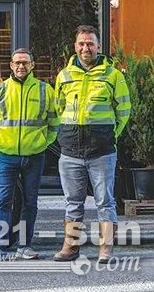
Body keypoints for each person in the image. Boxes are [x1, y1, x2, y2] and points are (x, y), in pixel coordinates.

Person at [53, 25, 131, 263]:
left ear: (98, 46)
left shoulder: (113, 75)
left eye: (90, 43)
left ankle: (105, 249)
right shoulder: (64, 76)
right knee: (72, 203)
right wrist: (66, 134)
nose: (85, 48)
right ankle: (70, 247)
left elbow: (124, 110)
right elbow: (58, 108)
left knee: (105, 202)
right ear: (75, 46)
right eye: (81, 43)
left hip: (102, 151)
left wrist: (109, 134)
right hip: (71, 151)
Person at [0, 48, 59, 262]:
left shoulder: (44, 90)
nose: (21, 66)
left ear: (32, 65)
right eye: (17, 62)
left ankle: (25, 246)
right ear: (11, 65)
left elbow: (54, 123)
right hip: (7, 156)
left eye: (25, 62)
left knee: (30, 202)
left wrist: (42, 143)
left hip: (35, 155)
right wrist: (0, 143)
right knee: (4, 200)